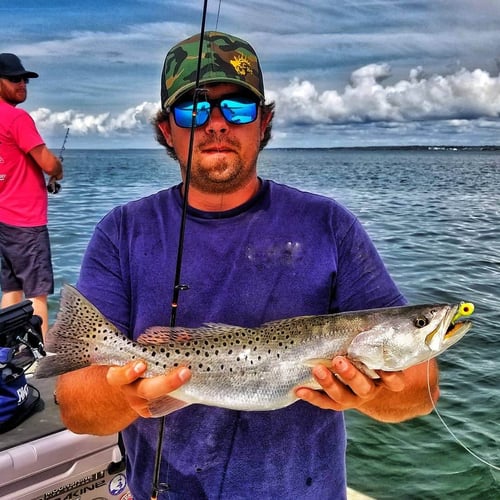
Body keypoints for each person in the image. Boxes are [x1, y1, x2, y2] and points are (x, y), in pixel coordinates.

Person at [55, 32, 439, 499]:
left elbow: (423, 391)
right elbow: (76, 408)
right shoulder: (122, 231)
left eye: (237, 107)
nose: (216, 124)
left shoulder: (329, 225)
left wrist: (376, 393)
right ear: (165, 130)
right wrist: (125, 394)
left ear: (265, 121)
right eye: (193, 109)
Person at [0, 53, 63, 336]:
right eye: (14, 79)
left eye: (24, 79)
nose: (22, 84)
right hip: (26, 222)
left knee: (11, 289)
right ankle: (37, 358)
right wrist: (57, 171)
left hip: (3, 221)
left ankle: (5, 351)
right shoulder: (16, 118)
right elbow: (48, 163)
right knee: (37, 293)